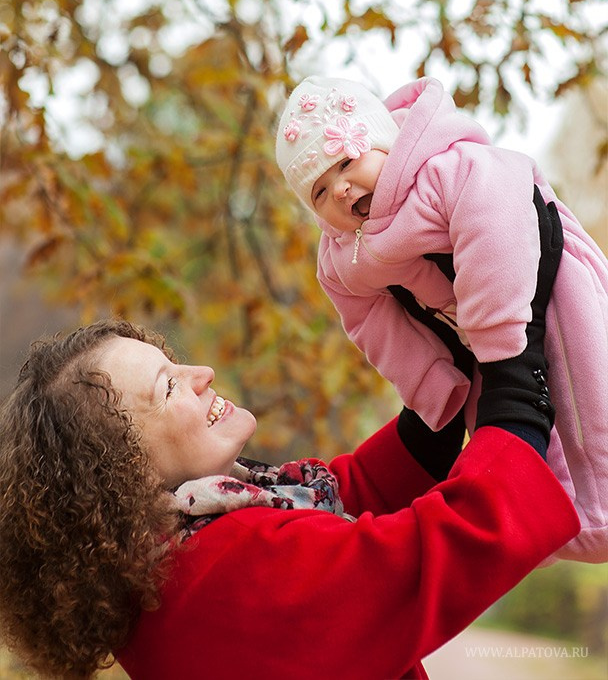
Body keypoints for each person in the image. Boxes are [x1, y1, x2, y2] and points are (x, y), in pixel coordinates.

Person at [0, 198, 579, 679]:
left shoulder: (174, 558)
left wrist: (446, 356)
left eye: (173, 362)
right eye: (167, 386)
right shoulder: (224, 576)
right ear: (120, 471)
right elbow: (433, 555)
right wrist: (515, 361)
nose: (201, 374)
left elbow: (350, 495)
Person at [276, 74, 608, 565]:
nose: (340, 190)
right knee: (499, 423)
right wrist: (433, 381)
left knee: (586, 394)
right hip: (469, 338)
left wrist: (498, 340)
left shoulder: (446, 169)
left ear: (385, 143)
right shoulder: (342, 257)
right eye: (320, 192)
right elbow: (367, 321)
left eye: (346, 162)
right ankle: (561, 520)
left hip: (545, 286)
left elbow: (496, 225)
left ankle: (599, 506)